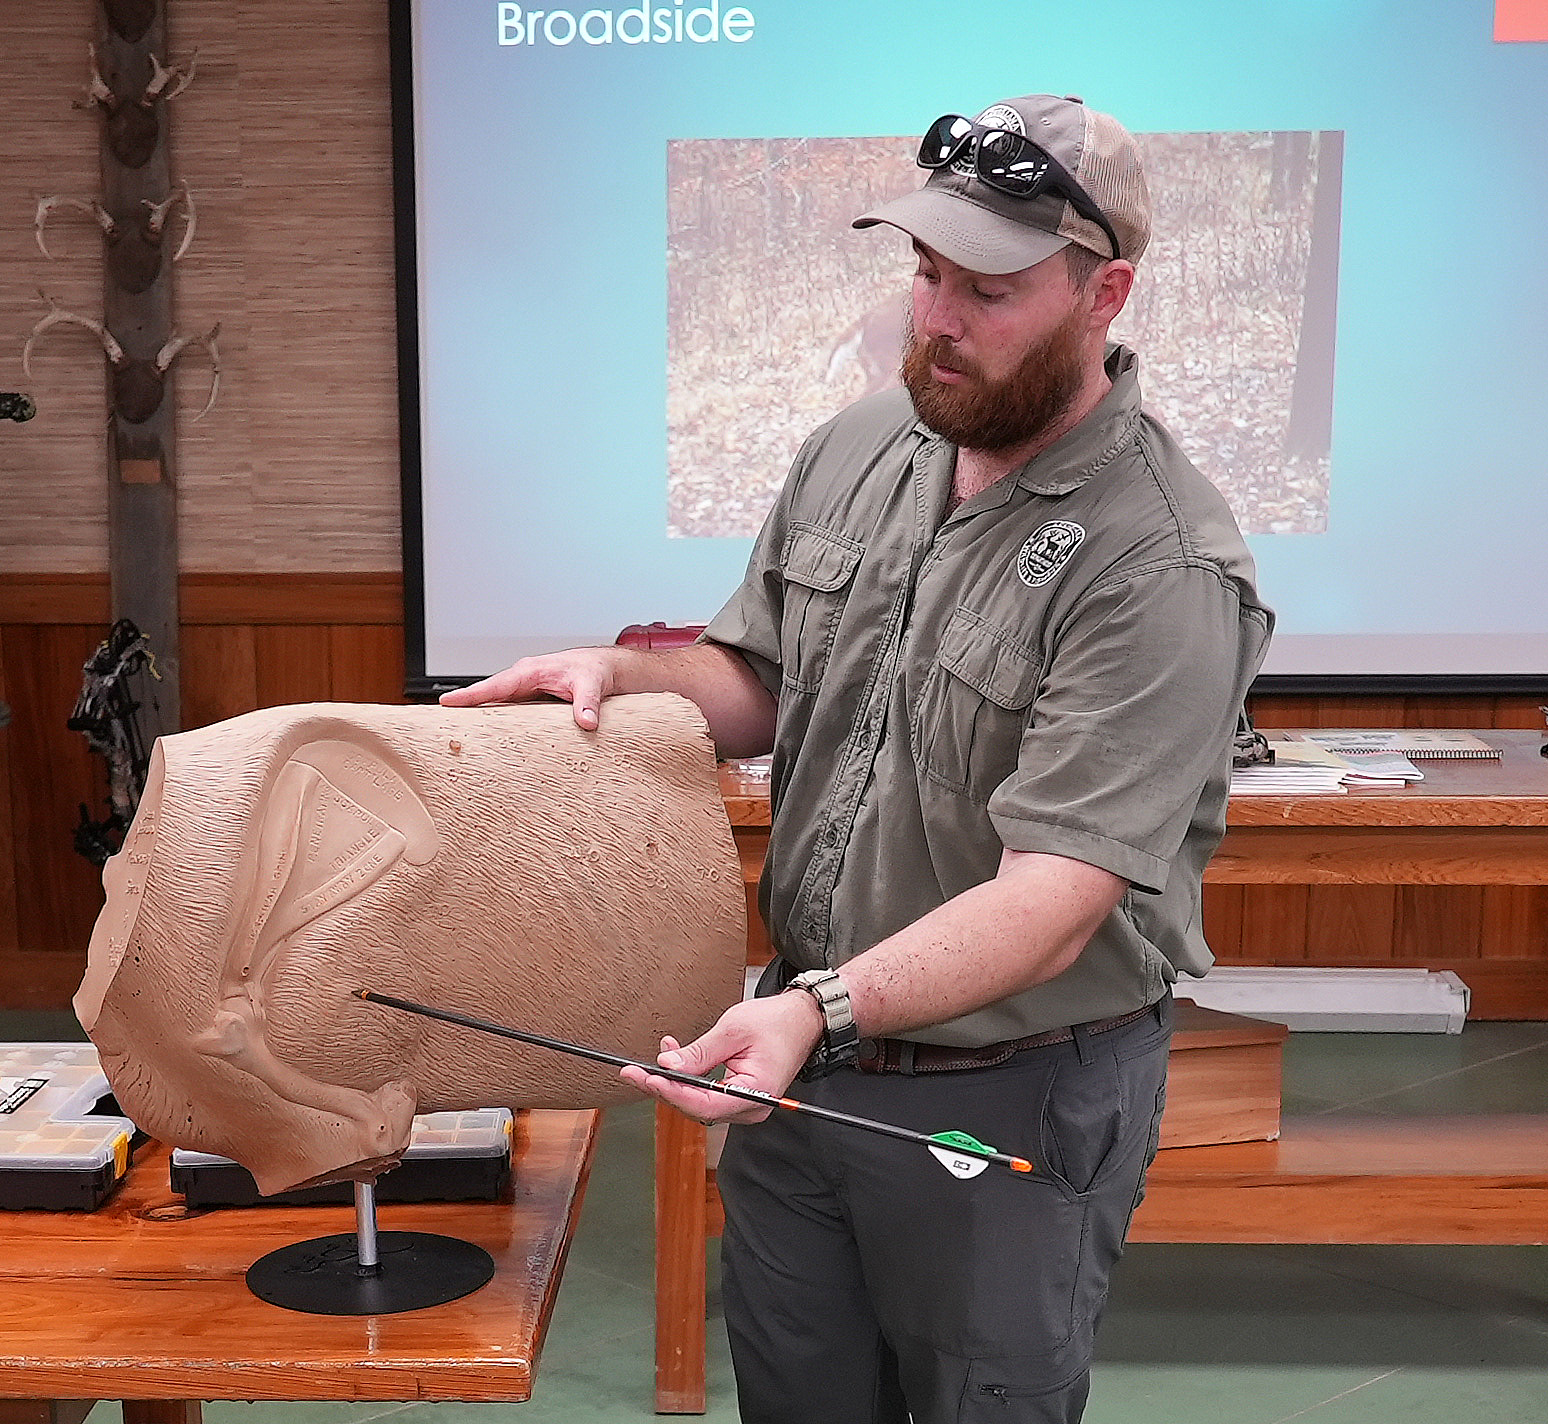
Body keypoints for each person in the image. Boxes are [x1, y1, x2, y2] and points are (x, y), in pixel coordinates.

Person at [444, 92, 1273, 1423]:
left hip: (1007, 1096)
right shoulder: (862, 447)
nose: (933, 320)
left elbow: (1053, 903)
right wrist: (626, 681)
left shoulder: (1159, 560)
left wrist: (815, 1009)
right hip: (804, 1078)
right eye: (925, 270)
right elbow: (761, 681)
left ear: (1102, 291)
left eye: (987, 289)